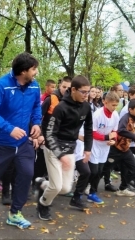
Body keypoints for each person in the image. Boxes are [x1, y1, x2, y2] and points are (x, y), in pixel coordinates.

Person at [0, 52, 42, 229]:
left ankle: (15, 213)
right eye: (34, 69)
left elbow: (36, 107)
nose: (36, 72)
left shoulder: (34, 86)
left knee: (26, 174)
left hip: (23, 142)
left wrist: (36, 123)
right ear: (23, 71)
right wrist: (9, 129)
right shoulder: (1, 85)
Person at [36, 75, 92, 220]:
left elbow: (88, 128)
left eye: (88, 92)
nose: (86, 95)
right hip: (53, 149)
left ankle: (42, 183)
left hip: (70, 149)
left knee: (66, 188)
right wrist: (61, 156)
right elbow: (49, 133)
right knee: (56, 187)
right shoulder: (60, 107)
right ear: (73, 90)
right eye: (83, 92)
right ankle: (43, 204)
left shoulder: (86, 106)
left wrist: (87, 149)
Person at [87, 92, 119, 204]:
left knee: (100, 170)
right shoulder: (97, 115)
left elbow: (115, 131)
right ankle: (89, 189)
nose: (115, 108)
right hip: (95, 145)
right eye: (113, 105)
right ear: (105, 102)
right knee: (94, 171)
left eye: (116, 105)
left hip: (105, 147)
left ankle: (92, 192)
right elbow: (93, 133)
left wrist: (113, 140)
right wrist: (107, 137)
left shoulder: (115, 115)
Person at [108, 99, 135, 197]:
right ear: (130, 110)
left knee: (134, 168)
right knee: (104, 169)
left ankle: (122, 188)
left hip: (125, 149)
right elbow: (121, 130)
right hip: (116, 148)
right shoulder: (125, 118)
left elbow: (132, 132)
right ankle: (90, 186)